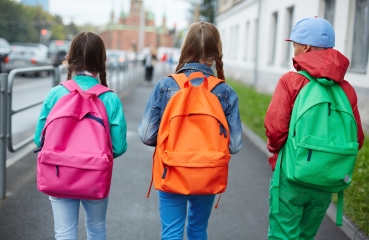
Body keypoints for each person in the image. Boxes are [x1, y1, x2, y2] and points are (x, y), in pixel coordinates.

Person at [138, 22, 242, 240]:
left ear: (186, 48)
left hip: (171, 167)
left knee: (171, 232)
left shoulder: (166, 85)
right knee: (197, 230)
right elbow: (234, 145)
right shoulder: (225, 92)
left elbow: (147, 135)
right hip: (208, 170)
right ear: (216, 52)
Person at [264, 17, 365, 239]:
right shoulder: (346, 90)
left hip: (292, 177)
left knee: (283, 235)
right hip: (327, 181)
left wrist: (277, 155)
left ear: (306, 47)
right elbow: (357, 139)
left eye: (295, 45)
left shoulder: (291, 81)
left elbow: (275, 130)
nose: (294, 50)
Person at [34, 31, 127, 239]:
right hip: (95, 175)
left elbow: (38, 139)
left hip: (58, 173)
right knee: (96, 228)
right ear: (101, 61)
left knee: (64, 232)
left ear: (70, 58)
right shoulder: (110, 98)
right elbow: (119, 147)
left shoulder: (56, 94)